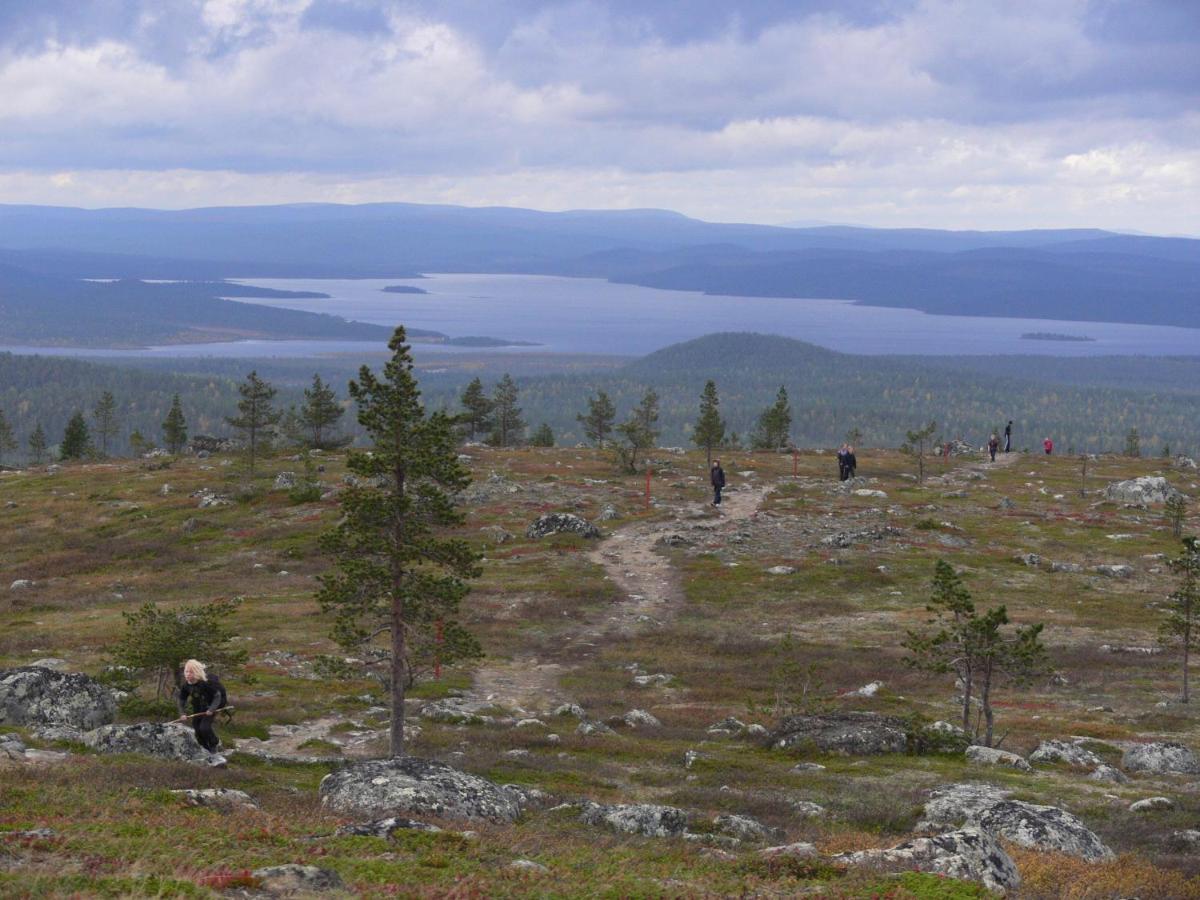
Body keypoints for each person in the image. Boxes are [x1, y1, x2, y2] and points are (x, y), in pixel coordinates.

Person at [177, 659, 226, 753]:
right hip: (198, 707)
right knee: (197, 729)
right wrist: (182, 713)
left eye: (191, 672)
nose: (187, 674)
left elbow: (217, 696)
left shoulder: (205, 683)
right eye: (186, 671)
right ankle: (205, 748)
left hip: (211, 706)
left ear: (196, 672)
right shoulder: (186, 686)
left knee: (204, 727)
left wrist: (212, 709)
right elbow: (181, 700)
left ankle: (213, 743)